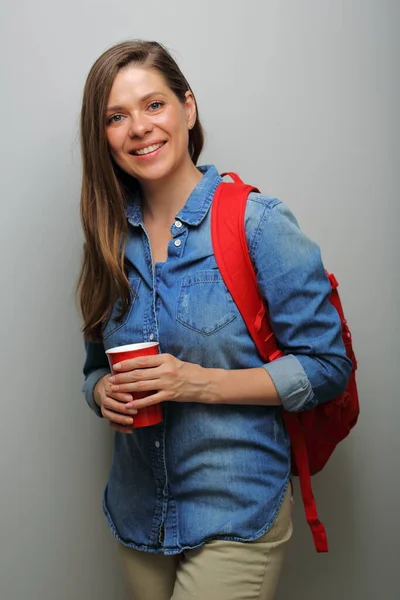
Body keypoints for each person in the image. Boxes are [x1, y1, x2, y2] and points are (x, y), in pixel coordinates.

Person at [78, 40, 351, 600]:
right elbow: (91, 370)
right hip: (138, 515)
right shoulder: (107, 239)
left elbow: (328, 367)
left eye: (154, 105)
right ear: (102, 136)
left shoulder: (258, 223)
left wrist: (198, 382)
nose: (139, 128)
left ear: (188, 108)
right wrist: (100, 390)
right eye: (116, 116)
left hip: (236, 508)